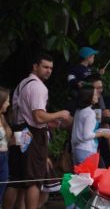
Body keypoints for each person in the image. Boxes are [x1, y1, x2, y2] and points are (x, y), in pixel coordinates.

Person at [10, 53, 72, 209]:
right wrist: (61, 114)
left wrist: (49, 121)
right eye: (45, 67)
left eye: (51, 68)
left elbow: (27, 115)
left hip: (20, 132)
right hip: (33, 134)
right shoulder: (38, 87)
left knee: (18, 179)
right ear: (35, 66)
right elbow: (38, 117)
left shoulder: (23, 83)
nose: (48, 71)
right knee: (34, 179)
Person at [71, 85, 110, 164]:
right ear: (89, 97)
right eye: (95, 94)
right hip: (86, 150)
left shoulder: (79, 110)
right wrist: (103, 133)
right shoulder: (90, 112)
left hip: (77, 149)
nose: (97, 96)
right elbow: (87, 135)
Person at [0, 87, 11, 203]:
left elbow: (7, 139)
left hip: (4, 156)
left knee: (2, 185)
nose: (9, 104)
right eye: (7, 101)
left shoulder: (2, 117)